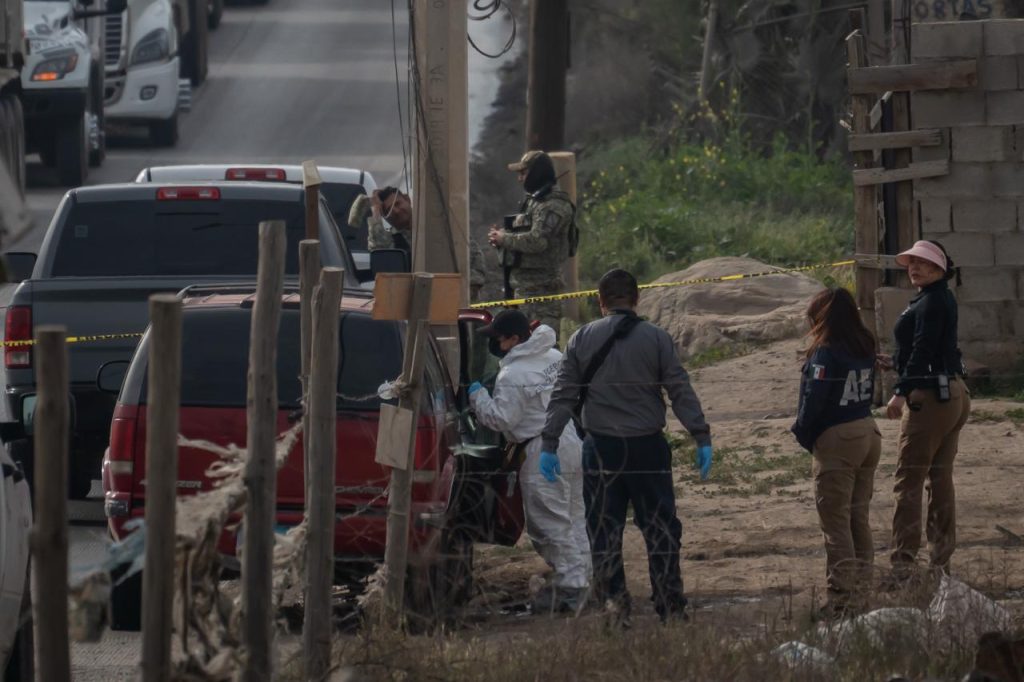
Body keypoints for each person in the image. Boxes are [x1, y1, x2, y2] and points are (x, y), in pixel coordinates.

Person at [539, 269, 712, 626]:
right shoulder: (657, 338)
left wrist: (549, 442)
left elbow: (563, 395)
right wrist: (701, 435)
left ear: (600, 301)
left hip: (601, 448)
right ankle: (670, 605)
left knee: (603, 530)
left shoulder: (581, 338)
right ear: (637, 299)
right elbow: (679, 389)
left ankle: (614, 607)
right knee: (661, 528)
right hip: (647, 447)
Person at [467, 309, 591, 612]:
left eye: (498, 339)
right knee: (575, 517)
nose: (495, 345)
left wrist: (478, 397)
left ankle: (572, 589)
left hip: (540, 450)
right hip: (570, 441)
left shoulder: (512, 375)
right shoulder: (552, 356)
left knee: (548, 525)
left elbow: (501, 419)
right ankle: (586, 579)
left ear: (514, 339)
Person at [791, 287, 881, 619]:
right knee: (858, 519)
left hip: (839, 438)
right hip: (868, 430)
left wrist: (804, 433)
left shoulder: (826, 353)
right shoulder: (865, 344)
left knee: (836, 524)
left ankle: (842, 599)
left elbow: (813, 401)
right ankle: (862, 593)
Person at [884, 240, 970, 582]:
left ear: (939, 268)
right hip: (951, 391)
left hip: (931, 398)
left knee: (909, 480)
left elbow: (922, 349)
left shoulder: (932, 301)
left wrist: (900, 391)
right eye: (911, 263)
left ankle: (903, 566)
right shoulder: (936, 298)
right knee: (939, 477)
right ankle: (940, 564)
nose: (915, 268)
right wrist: (895, 362)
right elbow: (931, 348)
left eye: (923, 263)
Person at [487, 150, 576, 335]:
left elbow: (537, 241)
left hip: (541, 294)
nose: (520, 179)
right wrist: (501, 237)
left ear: (537, 173)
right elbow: (524, 234)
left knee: (541, 345)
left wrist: (505, 239)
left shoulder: (554, 205)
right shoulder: (535, 202)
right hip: (522, 289)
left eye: (523, 173)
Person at [362, 186, 486, 297]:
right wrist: (376, 211)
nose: (396, 211)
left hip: (454, 300)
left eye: (398, 204)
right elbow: (380, 256)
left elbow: (473, 257)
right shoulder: (393, 242)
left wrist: (464, 289)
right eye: (389, 210)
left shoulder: (438, 227)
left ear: (407, 199)